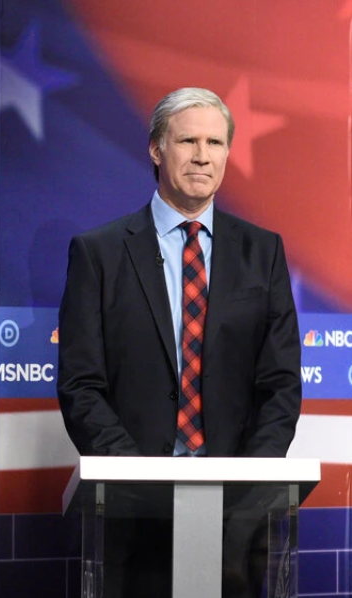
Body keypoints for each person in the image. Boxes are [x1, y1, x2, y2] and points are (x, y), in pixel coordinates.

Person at [57, 87, 301, 597]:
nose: (202, 155)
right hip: (131, 512)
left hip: (237, 516)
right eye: (187, 140)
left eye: (215, 142)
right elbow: (81, 386)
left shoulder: (264, 251)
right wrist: (139, 481)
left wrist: (247, 492)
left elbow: (279, 386)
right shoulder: (99, 254)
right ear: (156, 148)